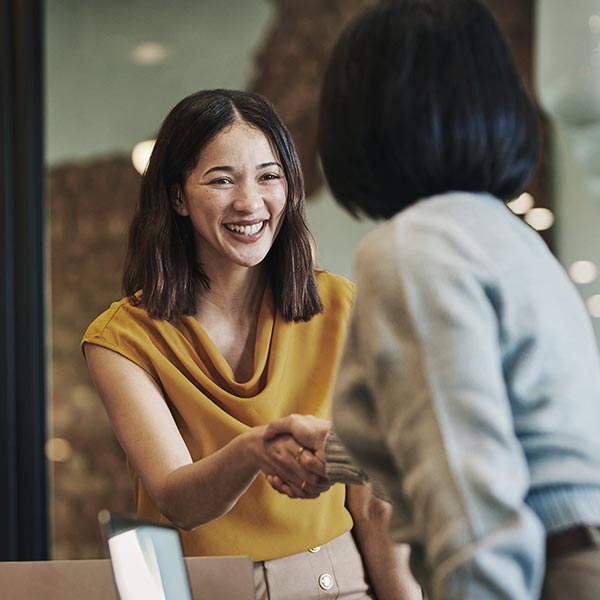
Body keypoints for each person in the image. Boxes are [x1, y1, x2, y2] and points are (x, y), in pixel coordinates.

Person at [263, 1, 600, 599]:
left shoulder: (414, 250)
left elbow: (473, 507)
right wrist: (337, 451)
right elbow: (502, 430)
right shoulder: (507, 236)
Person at [81, 88, 420, 599]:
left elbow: (374, 502)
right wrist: (257, 450)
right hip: (188, 589)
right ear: (177, 196)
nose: (250, 202)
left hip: (333, 583)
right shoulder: (120, 339)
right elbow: (180, 501)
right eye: (221, 180)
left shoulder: (342, 307)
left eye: (269, 176)